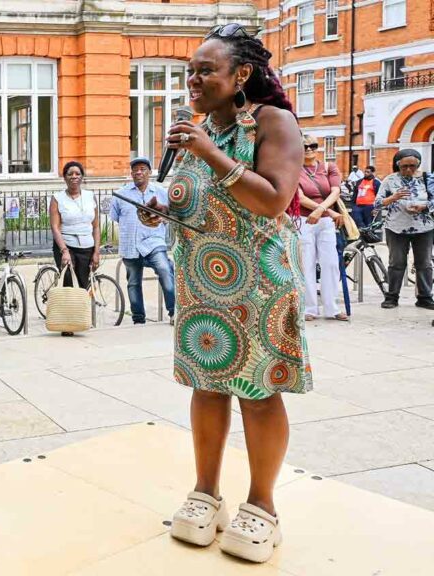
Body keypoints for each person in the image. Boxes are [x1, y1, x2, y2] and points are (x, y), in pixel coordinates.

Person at [162, 24, 311, 563]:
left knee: (256, 390)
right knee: (206, 385)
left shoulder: (272, 122)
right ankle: (206, 494)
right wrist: (165, 206)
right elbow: (194, 197)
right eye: (191, 71)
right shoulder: (197, 128)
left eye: (205, 70)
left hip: (257, 281)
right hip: (203, 281)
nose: (193, 80)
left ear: (240, 74)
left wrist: (207, 152)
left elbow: (273, 199)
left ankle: (262, 506)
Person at [110, 156, 176, 324]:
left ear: (149, 173)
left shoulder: (160, 192)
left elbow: (169, 214)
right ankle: (138, 319)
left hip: (154, 242)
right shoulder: (121, 194)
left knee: (164, 269)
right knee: (133, 282)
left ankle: (174, 311)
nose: (138, 172)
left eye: (142, 169)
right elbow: (116, 217)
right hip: (130, 244)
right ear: (131, 173)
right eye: (135, 170)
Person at [373, 149, 434, 310]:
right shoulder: (390, 180)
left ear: (418, 164)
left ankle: (425, 297)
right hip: (396, 228)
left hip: (424, 228)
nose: (408, 170)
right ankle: (392, 297)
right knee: (396, 263)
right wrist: (393, 198)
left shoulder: (428, 179)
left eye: (412, 166)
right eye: (404, 166)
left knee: (425, 263)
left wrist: (423, 206)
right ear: (398, 165)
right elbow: (377, 203)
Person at [297, 135, 349, 321]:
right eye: (305, 146)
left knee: (330, 263)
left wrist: (321, 210)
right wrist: (327, 211)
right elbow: (300, 197)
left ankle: (332, 308)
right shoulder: (294, 168)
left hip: (325, 221)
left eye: (313, 145)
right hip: (303, 220)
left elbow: (335, 191)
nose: (309, 149)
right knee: (307, 265)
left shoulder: (329, 167)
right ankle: (310, 308)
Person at [49, 161, 101, 335]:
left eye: (77, 173)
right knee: (70, 283)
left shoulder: (90, 196)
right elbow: (55, 227)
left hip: (87, 245)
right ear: (64, 177)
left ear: (82, 177)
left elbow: (96, 226)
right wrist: (64, 250)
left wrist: (96, 252)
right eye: (70, 174)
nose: (74, 177)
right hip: (66, 244)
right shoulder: (58, 198)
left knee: (83, 284)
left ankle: (78, 318)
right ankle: (67, 324)